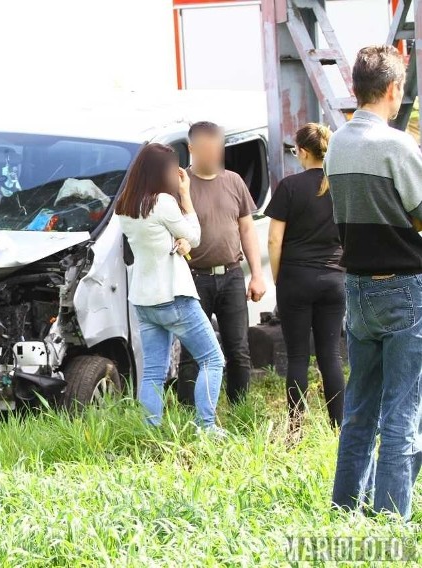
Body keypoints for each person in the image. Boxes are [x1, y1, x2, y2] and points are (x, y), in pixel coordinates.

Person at [326, 45, 422, 520]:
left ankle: (345, 508)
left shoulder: (338, 144)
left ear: (355, 88)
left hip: (357, 291)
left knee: (360, 407)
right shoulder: (397, 145)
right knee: (402, 412)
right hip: (404, 287)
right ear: (393, 89)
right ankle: (389, 521)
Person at [116, 143, 225, 432]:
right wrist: (187, 194)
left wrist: (180, 241)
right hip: (174, 296)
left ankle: (151, 431)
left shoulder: (125, 207)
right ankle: (207, 428)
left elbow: (159, 239)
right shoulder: (162, 203)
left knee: (153, 372)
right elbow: (196, 236)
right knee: (213, 360)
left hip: (143, 299)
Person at [175, 122, 266, 406]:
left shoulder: (234, 181)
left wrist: (257, 275)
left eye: (219, 148)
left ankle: (239, 408)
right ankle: (188, 413)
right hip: (194, 278)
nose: (215, 154)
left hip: (231, 274)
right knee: (192, 352)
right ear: (192, 149)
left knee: (238, 349)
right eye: (208, 149)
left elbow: (247, 229)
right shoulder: (179, 186)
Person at [265, 123, 345, 437]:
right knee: (331, 355)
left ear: (303, 151)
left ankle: (296, 429)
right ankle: (340, 429)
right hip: (334, 278)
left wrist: (278, 278)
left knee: (297, 356)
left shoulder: (290, 186)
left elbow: (274, 240)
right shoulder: (340, 186)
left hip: (295, 278)